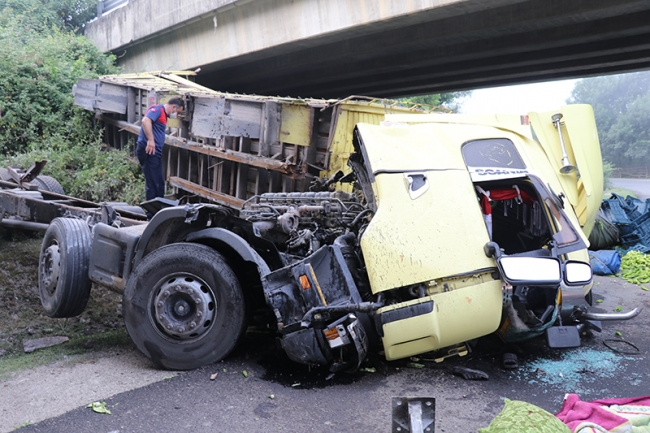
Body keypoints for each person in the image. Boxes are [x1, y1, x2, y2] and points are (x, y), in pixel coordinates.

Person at [135, 97, 184, 202]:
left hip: (154, 153)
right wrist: (151, 140)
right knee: (153, 183)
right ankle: (152, 213)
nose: (177, 115)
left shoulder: (162, 114)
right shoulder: (158, 110)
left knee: (158, 183)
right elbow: (145, 120)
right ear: (174, 107)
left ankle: (157, 210)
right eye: (178, 113)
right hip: (149, 151)